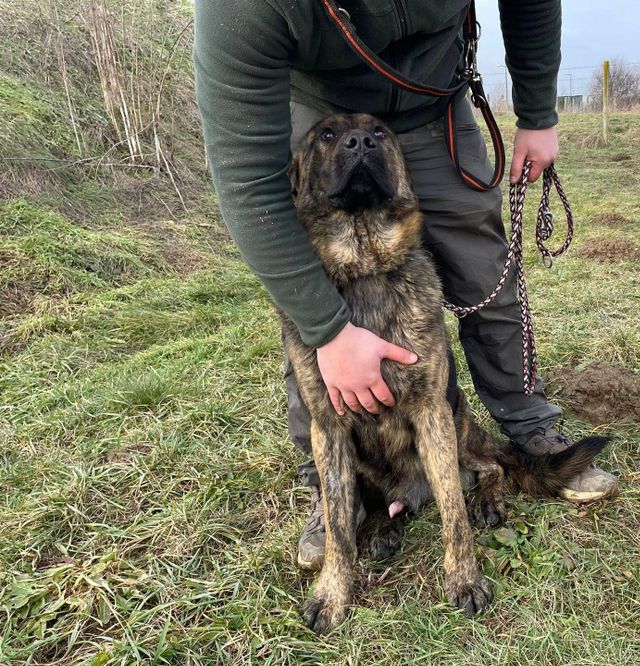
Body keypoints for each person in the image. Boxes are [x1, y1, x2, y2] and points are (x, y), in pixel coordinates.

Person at [194, 0, 618, 571]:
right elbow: (247, 182)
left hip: (434, 102)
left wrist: (538, 112)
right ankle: (330, 487)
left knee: (488, 276)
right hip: (315, 102)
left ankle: (530, 427)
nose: (361, 145)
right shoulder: (244, 11)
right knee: (305, 316)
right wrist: (327, 330)